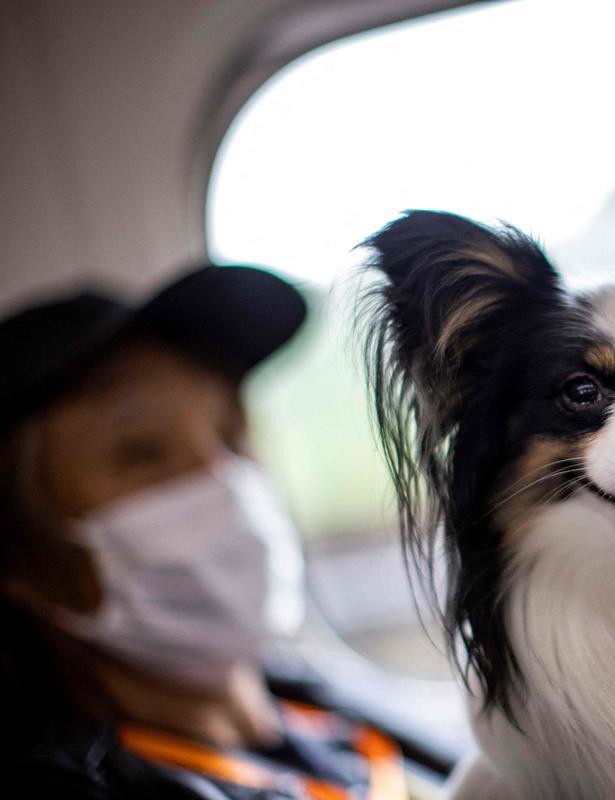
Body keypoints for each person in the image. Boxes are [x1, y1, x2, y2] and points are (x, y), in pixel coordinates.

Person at [0, 265, 413, 799]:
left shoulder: (325, 710)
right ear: (23, 556)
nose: (224, 483)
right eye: (142, 453)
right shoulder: (73, 785)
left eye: (230, 431)